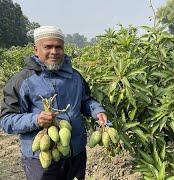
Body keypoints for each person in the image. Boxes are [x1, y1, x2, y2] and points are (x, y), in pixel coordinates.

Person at [0, 26, 108, 180]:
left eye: (58, 47)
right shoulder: (22, 81)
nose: (54, 52)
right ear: (36, 49)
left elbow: (85, 100)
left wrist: (97, 110)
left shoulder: (75, 76)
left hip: (75, 154)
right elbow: (6, 120)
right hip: (41, 158)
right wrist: (36, 120)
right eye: (48, 47)